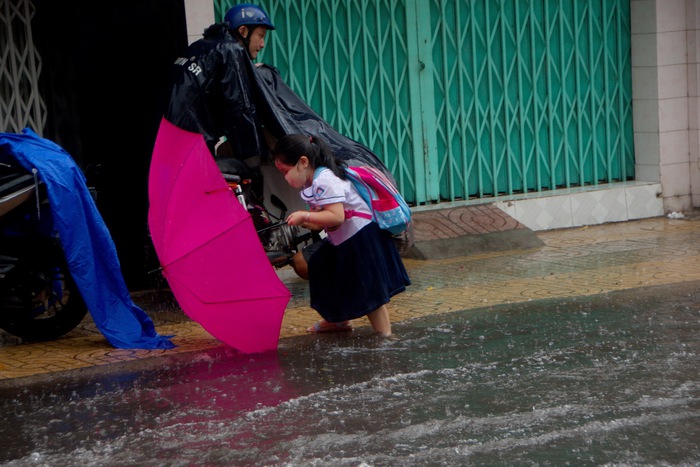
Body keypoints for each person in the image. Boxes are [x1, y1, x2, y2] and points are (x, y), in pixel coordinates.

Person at [273, 134, 411, 336]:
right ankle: (337, 319)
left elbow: (336, 217)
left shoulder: (324, 180)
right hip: (346, 239)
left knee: (371, 294)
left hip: (361, 237)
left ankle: (385, 337)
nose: (285, 178)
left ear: (303, 162)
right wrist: (311, 221)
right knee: (323, 268)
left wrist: (306, 216)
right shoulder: (313, 181)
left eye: (285, 171)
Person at [164, 3, 275, 158]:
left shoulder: (200, 47)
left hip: (170, 136)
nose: (262, 44)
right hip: (194, 142)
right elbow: (240, 107)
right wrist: (255, 158)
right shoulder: (231, 49)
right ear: (243, 31)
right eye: (261, 36)